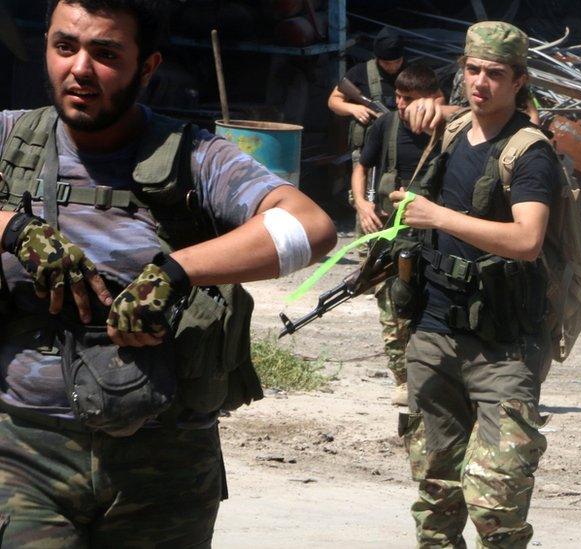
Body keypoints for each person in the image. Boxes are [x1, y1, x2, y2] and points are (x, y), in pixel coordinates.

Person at [0, 0, 337, 546]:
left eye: (105, 53)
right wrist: (13, 229)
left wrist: (178, 271)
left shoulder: (195, 156)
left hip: (166, 466)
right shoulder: (11, 142)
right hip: (24, 456)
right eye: (65, 47)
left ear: (147, 66)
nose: (80, 69)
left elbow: (311, 228)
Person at [388, 21, 560, 548]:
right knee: (435, 501)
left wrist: (436, 216)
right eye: (473, 70)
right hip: (434, 336)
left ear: (519, 81)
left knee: (497, 508)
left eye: (495, 74)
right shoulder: (453, 131)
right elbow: (410, 118)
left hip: (503, 348)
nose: (481, 82)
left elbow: (528, 239)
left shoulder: (530, 153)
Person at [352, 62, 442, 406]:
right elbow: (361, 168)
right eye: (398, 97)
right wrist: (362, 204)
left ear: (432, 99)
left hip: (433, 232)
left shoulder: (448, 129)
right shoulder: (385, 126)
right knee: (391, 306)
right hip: (391, 233)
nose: (401, 104)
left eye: (409, 98)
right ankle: (403, 380)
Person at [327, 26, 405, 165]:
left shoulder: (411, 73)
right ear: (377, 58)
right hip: (368, 150)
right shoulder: (360, 72)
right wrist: (354, 109)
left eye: (397, 62)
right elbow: (333, 101)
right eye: (387, 63)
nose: (393, 67)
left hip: (400, 146)